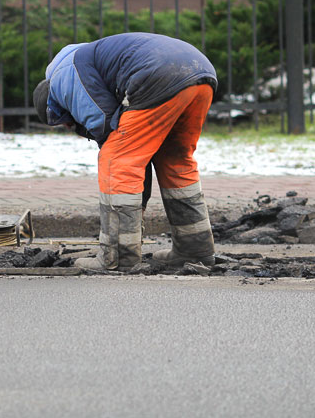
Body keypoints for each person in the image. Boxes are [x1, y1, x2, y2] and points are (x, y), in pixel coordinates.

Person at [33, 32, 218, 272]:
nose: (70, 127)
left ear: (54, 106)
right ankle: (195, 251)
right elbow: (138, 149)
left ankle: (118, 257)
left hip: (158, 75)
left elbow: (105, 124)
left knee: (117, 159)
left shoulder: (62, 78)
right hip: (199, 73)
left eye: (65, 123)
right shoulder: (86, 59)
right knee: (174, 161)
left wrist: (134, 202)